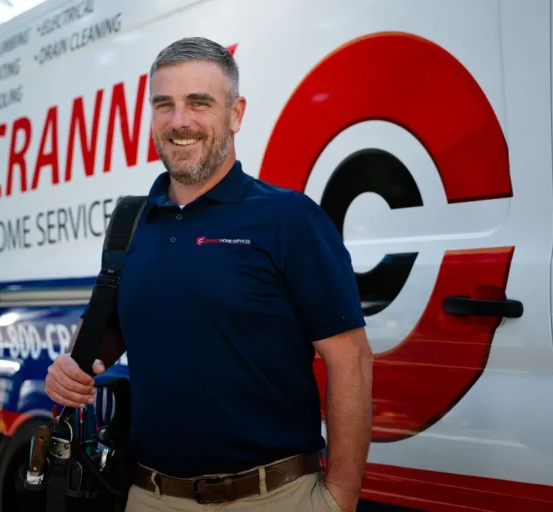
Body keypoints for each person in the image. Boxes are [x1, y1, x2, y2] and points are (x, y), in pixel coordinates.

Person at [45, 36, 373, 512]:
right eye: (165, 105)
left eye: (199, 103)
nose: (180, 121)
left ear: (235, 113)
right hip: (150, 497)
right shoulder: (131, 224)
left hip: (273, 496)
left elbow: (351, 361)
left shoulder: (290, 219)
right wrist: (68, 370)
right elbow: (110, 331)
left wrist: (341, 497)